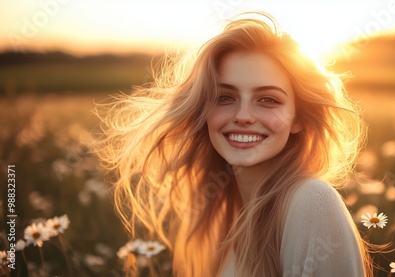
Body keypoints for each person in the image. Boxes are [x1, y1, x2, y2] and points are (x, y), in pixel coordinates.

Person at [93, 13, 372, 277]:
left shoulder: (312, 202)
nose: (243, 116)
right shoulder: (225, 217)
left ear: (297, 118)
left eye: (268, 100)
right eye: (225, 97)